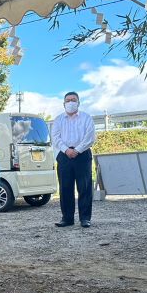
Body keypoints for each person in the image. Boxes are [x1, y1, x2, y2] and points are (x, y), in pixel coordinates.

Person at [51, 91, 96, 228]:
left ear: (78, 102)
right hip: (64, 156)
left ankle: (85, 218)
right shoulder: (58, 119)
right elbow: (55, 137)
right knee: (65, 188)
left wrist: (77, 150)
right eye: (68, 100)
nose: (71, 102)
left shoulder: (86, 118)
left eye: (73, 100)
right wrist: (66, 150)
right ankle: (67, 218)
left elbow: (90, 137)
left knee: (85, 187)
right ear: (64, 103)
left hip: (82, 155)